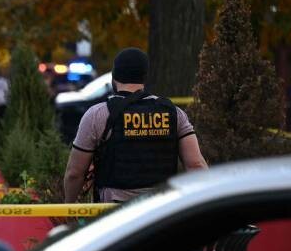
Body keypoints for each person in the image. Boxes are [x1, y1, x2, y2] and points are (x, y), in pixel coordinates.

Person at [63, 47, 208, 203]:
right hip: (162, 211)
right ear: (145, 77)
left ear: (114, 76)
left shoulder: (97, 115)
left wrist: (69, 208)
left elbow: (75, 173)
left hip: (113, 214)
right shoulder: (173, 113)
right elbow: (196, 164)